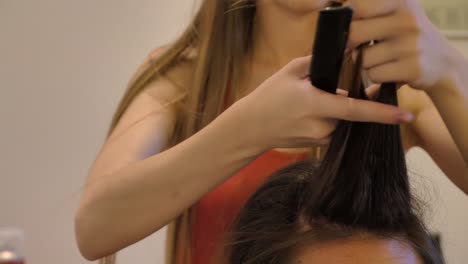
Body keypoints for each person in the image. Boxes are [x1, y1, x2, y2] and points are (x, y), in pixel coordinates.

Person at [74, 0, 468, 263]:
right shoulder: (187, 80)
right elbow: (95, 227)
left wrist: (451, 73)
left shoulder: (395, 87)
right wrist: (248, 129)